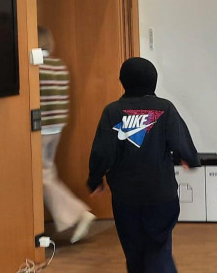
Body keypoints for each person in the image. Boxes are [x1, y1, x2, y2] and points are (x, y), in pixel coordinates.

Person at [87, 57, 200, 273]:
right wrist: (190, 158)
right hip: (161, 195)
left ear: (122, 81)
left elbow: (103, 151)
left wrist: (95, 179)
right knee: (159, 248)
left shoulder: (112, 112)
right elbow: (179, 141)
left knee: (134, 251)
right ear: (154, 81)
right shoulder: (165, 108)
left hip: (125, 197)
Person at [37, 26, 96, 244]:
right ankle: (71, 215)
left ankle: (77, 213)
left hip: (39, 128)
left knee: (42, 176)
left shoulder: (35, 67)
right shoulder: (59, 65)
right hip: (56, 127)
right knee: (46, 172)